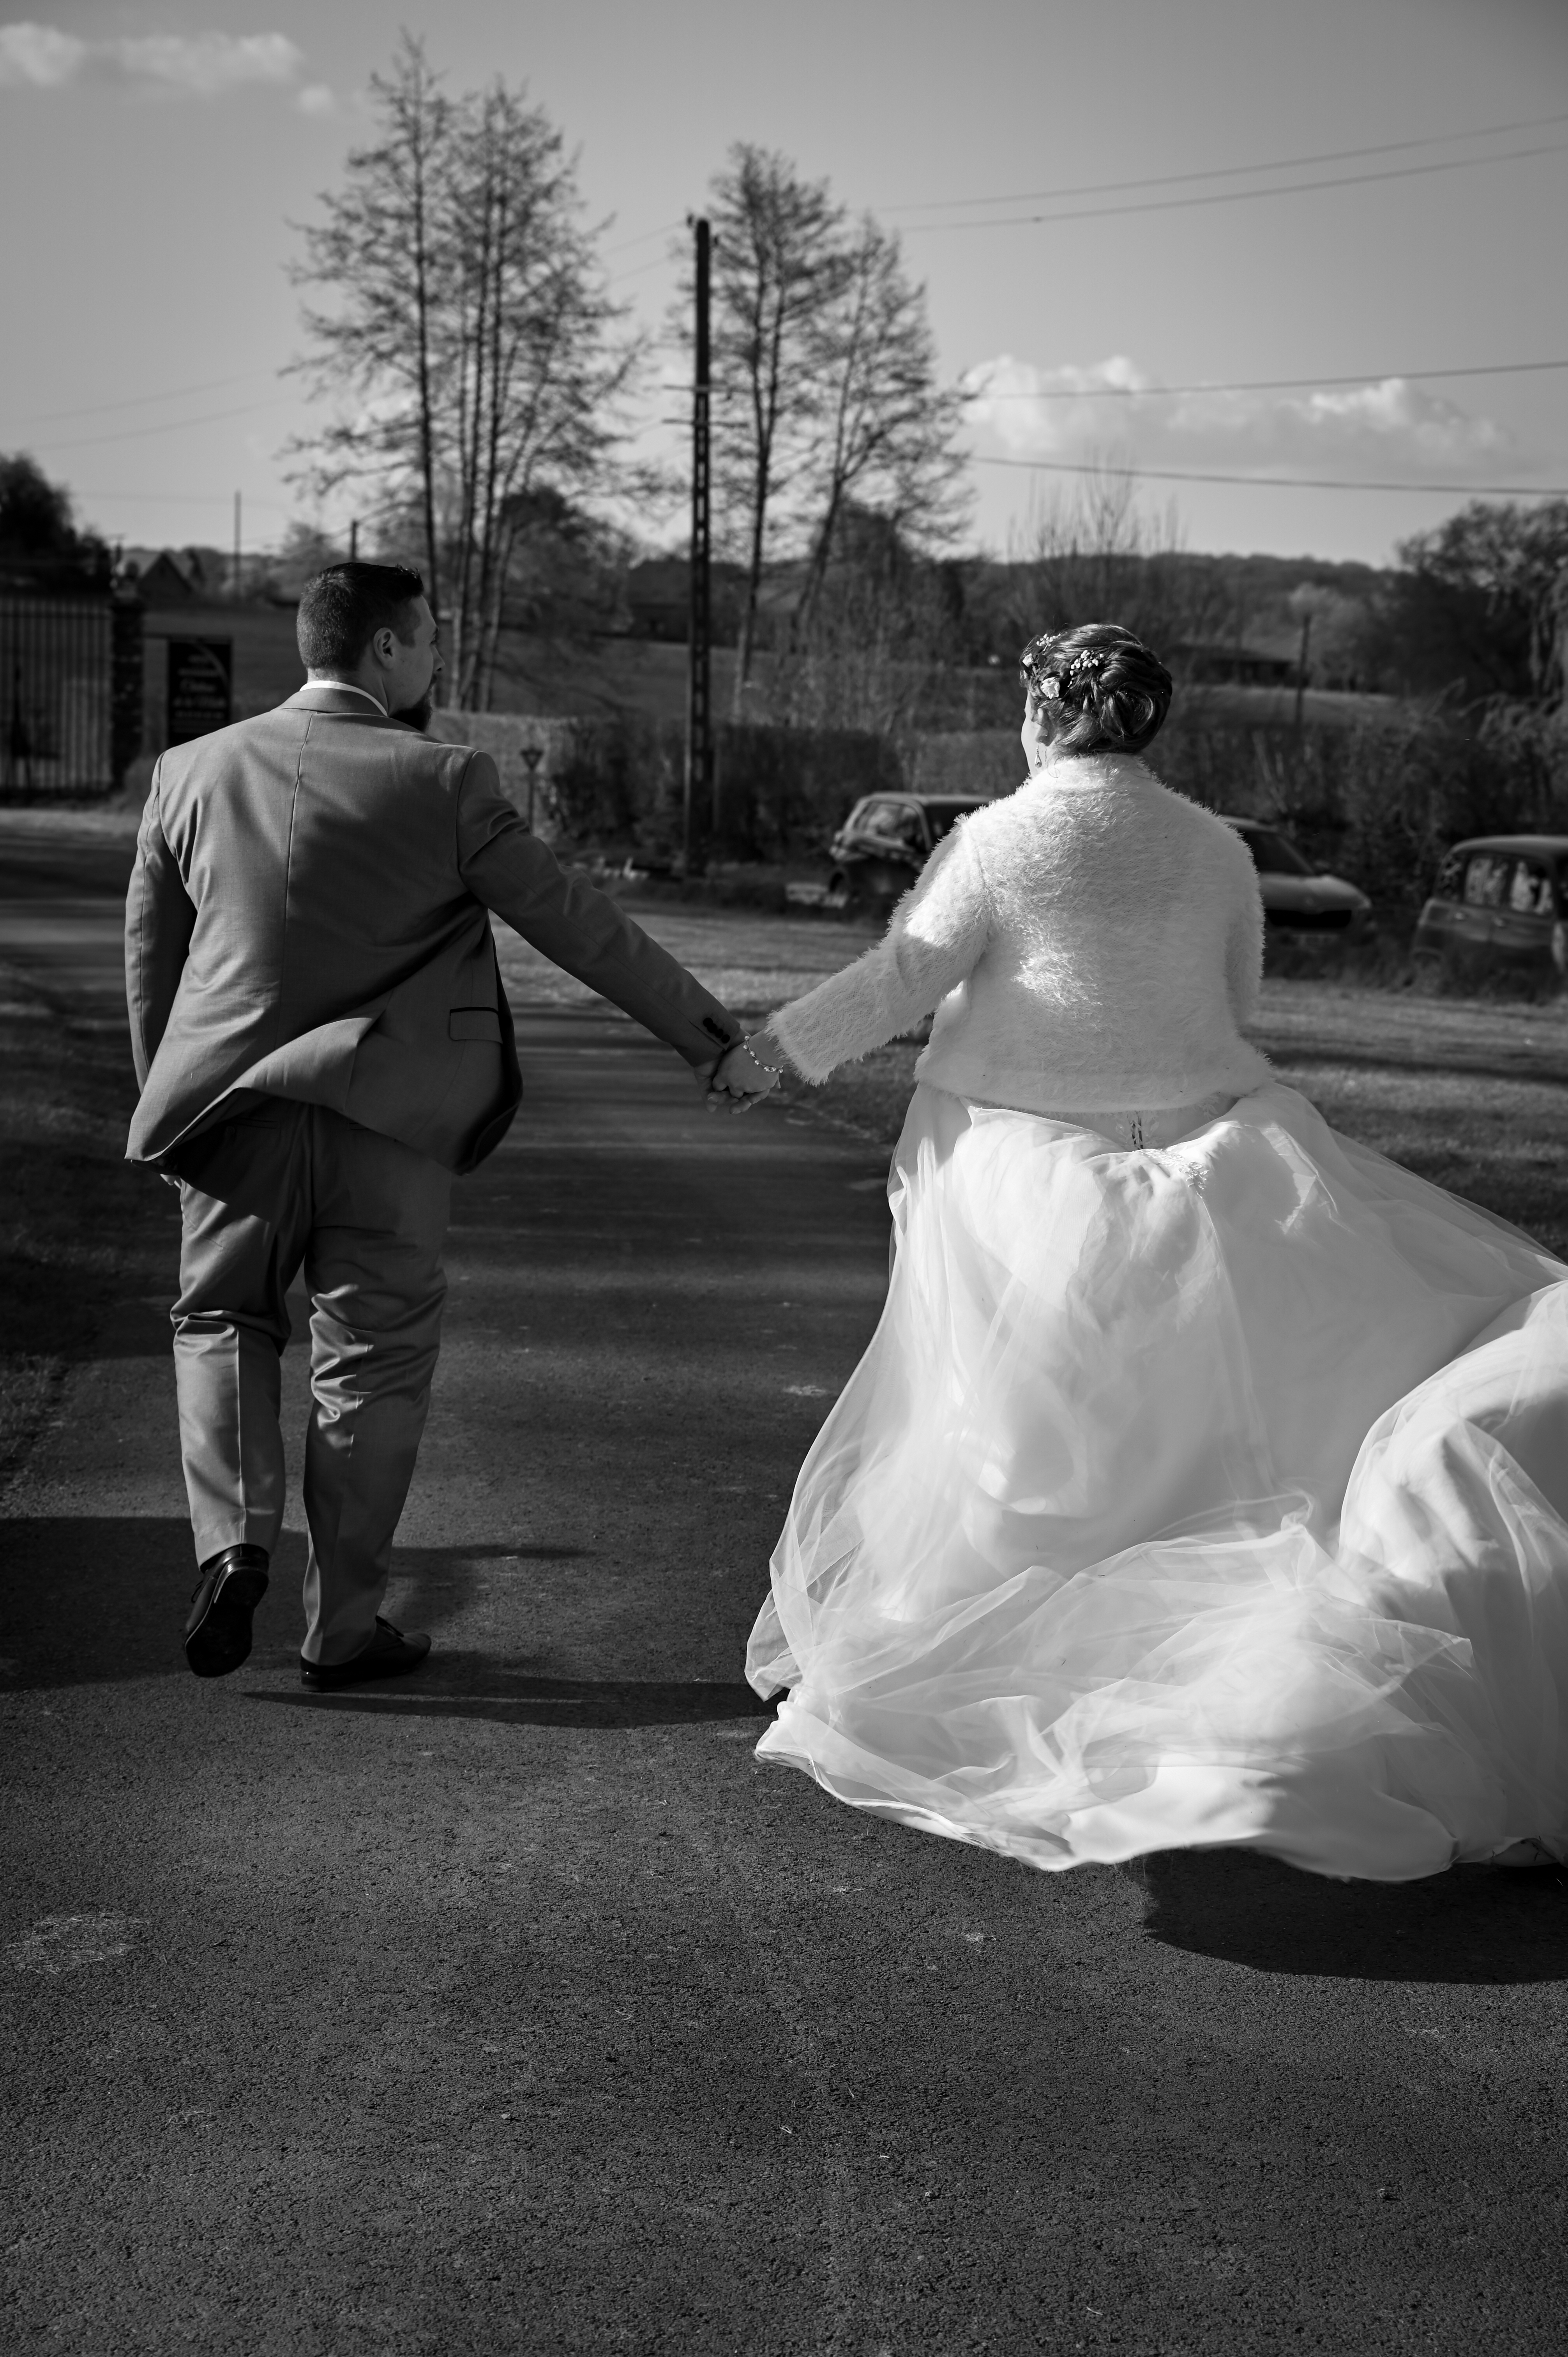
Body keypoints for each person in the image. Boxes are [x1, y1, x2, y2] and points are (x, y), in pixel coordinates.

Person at [715, 622, 1568, 1882]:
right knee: (1213, 1415)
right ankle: (1204, 1646)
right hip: (1216, 1155)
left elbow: (904, 975)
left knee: (1014, 1419)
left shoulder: (998, 839)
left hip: (1020, 1160)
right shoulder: (1217, 848)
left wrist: (774, 1054)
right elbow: (1235, 1006)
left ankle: (1014, 1648)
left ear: (1044, 717)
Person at [127, 561, 749, 1692]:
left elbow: (149, 962)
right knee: (371, 1362)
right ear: (382, 653)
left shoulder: (187, 773)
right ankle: (342, 1629)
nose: (434, 660)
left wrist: (165, 1113)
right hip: (389, 1123)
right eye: (425, 642)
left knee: (221, 1322)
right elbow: (580, 927)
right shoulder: (449, 780)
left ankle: (233, 1546)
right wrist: (711, 1040)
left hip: (225, 1118)